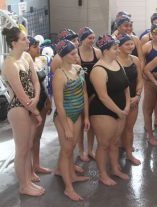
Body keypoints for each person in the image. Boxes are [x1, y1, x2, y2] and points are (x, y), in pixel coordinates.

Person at [2, 27, 44, 196]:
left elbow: (36, 81)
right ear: (14, 43)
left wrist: (36, 100)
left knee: (28, 147)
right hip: (18, 108)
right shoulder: (10, 64)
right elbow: (20, 94)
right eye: (24, 39)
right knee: (22, 149)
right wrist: (35, 110)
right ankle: (24, 185)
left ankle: (27, 181)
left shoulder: (26, 57)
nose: (28, 41)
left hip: (30, 105)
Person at [90, 34, 130, 186]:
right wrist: (119, 112)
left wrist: (125, 106)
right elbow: (103, 96)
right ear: (105, 51)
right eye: (115, 49)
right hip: (103, 111)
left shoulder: (117, 63)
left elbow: (126, 86)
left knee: (115, 142)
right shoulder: (98, 69)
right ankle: (102, 174)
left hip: (121, 109)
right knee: (104, 144)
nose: (117, 51)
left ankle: (115, 169)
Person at [53, 39, 90, 201]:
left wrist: (86, 116)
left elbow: (84, 94)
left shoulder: (78, 69)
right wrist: (66, 127)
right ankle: (68, 188)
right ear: (63, 56)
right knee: (67, 151)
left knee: (71, 147)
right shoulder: (59, 76)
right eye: (72, 53)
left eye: (76, 52)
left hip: (77, 114)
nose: (76, 56)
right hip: (65, 116)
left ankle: (72, 176)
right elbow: (59, 105)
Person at [27, 36, 52, 180]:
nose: (39, 49)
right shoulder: (24, 65)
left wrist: (48, 99)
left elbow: (43, 83)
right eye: (35, 46)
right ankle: (29, 170)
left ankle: (36, 165)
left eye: (38, 46)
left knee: (37, 137)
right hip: (32, 104)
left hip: (42, 101)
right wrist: (33, 108)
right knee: (30, 139)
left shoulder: (37, 61)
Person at [117, 34, 143, 165]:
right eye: (127, 44)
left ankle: (128, 153)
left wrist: (137, 96)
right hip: (117, 100)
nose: (130, 47)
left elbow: (139, 79)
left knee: (129, 128)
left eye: (131, 44)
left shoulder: (135, 60)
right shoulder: (114, 61)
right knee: (116, 130)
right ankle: (114, 155)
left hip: (133, 99)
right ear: (119, 46)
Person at [77, 27, 102, 162]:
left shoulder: (97, 52)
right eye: (89, 38)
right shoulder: (76, 54)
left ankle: (91, 149)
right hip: (80, 91)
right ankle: (81, 150)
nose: (92, 41)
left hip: (94, 91)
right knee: (81, 123)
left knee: (91, 122)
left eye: (93, 38)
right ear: (82, 40)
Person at [142, 24, 157, 146]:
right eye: (155, 33)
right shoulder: (147, 46)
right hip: (150, 82)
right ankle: (150, 136)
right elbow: (141, 66)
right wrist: (148, 78)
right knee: (148, 109)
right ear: (151, 35)